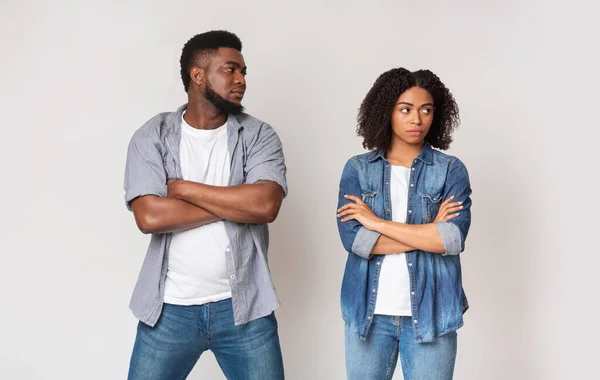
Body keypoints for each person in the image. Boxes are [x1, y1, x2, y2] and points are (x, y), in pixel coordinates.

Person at [124, 30, 287, 380]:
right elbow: (150, 216)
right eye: (231, 70)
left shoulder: (258, 135)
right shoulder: (152, 135)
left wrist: (183, 189)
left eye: (244, 72)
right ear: (198, 75)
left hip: (245, 309)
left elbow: (266, 205)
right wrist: (235, 200)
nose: (241, 80)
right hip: (168, 311)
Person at [336, 68, 472, 380]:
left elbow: (449, 240)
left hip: (432, 315)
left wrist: (375, 223)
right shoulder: (358, 170)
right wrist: (427, 233)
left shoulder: (450, 170)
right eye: (406, 109)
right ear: (387, 112)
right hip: (368, 316)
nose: (417, 119)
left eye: (426, 110)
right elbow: (356, 243)